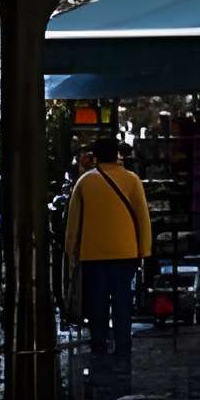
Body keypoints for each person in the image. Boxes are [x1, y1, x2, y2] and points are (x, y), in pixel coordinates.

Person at [64, 133, 155, 362]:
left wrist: (70, 250)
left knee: (98, 302)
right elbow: (142, 218)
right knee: (123, 300)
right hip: (126, 251)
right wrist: (145, 250)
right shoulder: (132, 180)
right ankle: (123, 344)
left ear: (96, 157)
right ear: (117, 154)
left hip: (92, 253)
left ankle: (99, 343)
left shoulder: (84, 182)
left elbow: (73, 221)